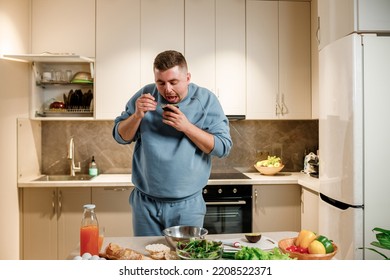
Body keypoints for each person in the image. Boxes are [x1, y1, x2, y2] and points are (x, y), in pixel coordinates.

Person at [112, 50, 232, 236]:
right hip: (145, 204)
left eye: (173, 82)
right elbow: (120, 136)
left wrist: (186, 127)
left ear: (187, 78)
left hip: (187, 206)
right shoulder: (145, 95)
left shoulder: (206, 100)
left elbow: (223, 147)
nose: (167, 89)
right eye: (161, 82)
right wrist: (137, 116)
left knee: (186, 262)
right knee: (146, 262)